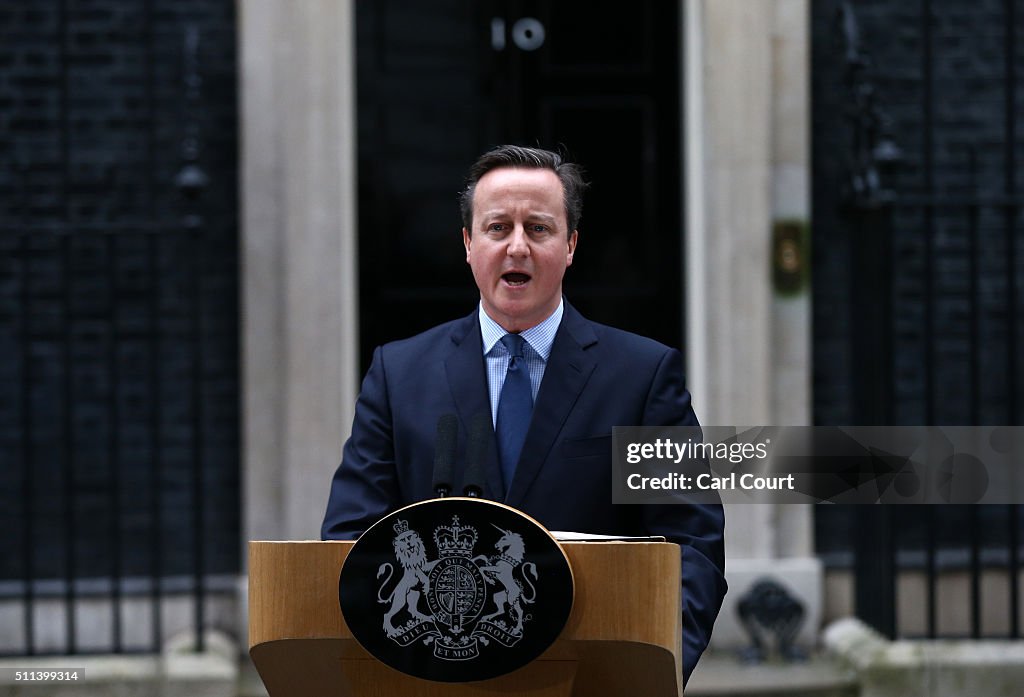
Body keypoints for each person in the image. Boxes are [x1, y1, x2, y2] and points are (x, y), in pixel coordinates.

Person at [322, 144, 726, 683]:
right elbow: (351, 540)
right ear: (468, 244)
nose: (517, 246)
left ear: (571, 245)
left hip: (592, 683)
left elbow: (691, 546)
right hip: (435, 684)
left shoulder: (643, 376)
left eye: (538, 228)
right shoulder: (398, 375)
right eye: (497, 228)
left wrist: (652, 669)